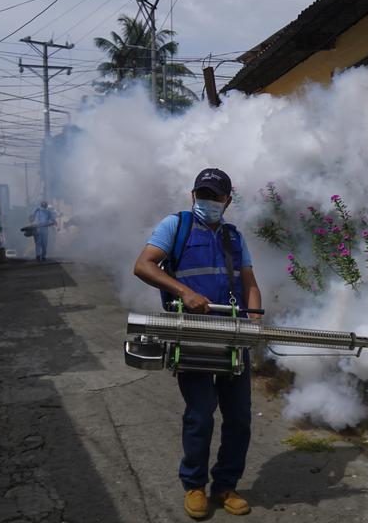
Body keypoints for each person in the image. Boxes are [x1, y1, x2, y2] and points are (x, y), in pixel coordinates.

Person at [133, 167, 262, 519]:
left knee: (239, 417)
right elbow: (144, 265)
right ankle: (194, 485)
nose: (207, 201)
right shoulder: (176, 226)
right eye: (201, 195)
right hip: (191, 333)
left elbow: (250, 283)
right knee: (201, 413)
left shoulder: (235, 238)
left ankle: (225, 485)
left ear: (227, 200)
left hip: (233, 337)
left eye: (214, 196)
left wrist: (254, 320)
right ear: (193, 196)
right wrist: (185, 292)